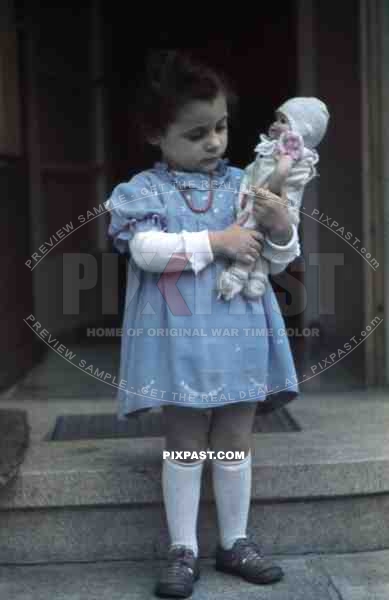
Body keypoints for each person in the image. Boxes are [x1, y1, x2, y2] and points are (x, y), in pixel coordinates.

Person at [104, 49, 301, 598]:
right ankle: (183, 547)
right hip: (181, 339)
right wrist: (217, 241)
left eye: (220, 127)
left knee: (235, 438)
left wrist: (280, 225)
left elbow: (280, 256)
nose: (215, 142)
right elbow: (145, 249)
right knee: (187, 439)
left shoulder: (248, 181)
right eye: (196, 134)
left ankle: (234, 540)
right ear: (154, 133)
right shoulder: (145, 191)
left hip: (239, 332)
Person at [217, 96, 329, 301]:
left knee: (253, 230)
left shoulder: (291, 154)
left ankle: (239, 273)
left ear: (302, 130)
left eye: (283, 121)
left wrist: (266, 194)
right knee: (256, 233)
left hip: (270, 202)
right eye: (276, 118)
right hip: (263, 200)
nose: (275, 124)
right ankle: (259, 276)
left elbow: (278, 178)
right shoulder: (276, 149)